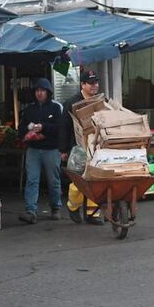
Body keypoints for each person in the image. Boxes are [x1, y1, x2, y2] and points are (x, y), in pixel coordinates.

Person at [17, 78, 64, 224]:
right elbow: (21, 128)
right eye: (37, 90)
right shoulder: (29, 109)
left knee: (53, 180)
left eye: (42, 91)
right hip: (33, 149)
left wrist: (44, 127)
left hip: (51, 149)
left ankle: (56, 207)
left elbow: (61, 129)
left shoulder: (57, 108)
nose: (39, 93)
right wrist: (29, 131)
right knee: (31, 179)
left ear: (48, 92)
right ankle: (30, 211)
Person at [60, 70, 103, 225]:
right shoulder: (71, 103)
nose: (95, 86)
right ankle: (73, 206)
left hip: (97, 147)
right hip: (77, 148)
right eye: (91, 83)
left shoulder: (99, 101)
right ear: (82, 85)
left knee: (95, 179)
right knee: (78, 180)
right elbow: (64, 128)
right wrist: (63, 150)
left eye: (96, 83)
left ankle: (93, 213)